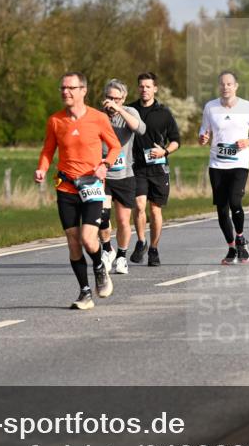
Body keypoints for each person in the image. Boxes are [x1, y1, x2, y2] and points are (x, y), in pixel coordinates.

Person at [35, 72, 120, 309]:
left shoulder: (98, 118)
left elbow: (114, 146)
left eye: (71, 88)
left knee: (87, 238)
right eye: (62, 88)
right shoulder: (55, 120)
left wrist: (105, 165)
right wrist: (41, 168)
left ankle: (100, 266)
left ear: (83, 90)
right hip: (66, 186)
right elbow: (47, 150)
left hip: (92, 185)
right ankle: (84, 293)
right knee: (73, 242)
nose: (65, 92)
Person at [198, 71, 249, 264]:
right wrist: (203, 137)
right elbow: (204, 129)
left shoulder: (247, 107)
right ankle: (232, 248)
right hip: (217, 164)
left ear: (236, 86)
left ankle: (240, 237)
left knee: (235, 201)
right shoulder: (211, 107)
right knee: (221, 209)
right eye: (222, 84)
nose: (225, 87)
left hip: (239, 163)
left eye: (229, 84)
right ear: (219, 86)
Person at [126, 72, 180, 267]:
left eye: (148, 86)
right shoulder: (130, 110)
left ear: (155, 88)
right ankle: (141, 241)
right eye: (141, 86)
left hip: (158, 168)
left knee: (155, 210)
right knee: (139, 205)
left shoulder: (164, 113)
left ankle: (154, 249)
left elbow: (176, 141)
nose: (144, 89)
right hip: (137, 166)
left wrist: (164, 152)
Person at [96, 79, 146, 275]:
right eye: (109, 98)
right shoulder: (97, 116)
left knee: (124, 221)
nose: (112, 102)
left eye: (117, 98)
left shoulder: (130, 113)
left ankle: (122, 256)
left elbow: (140, 129)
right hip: (102, 175)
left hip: (124, 175)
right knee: (102, 216)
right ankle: (107, 249)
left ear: (124, 98)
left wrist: (120, 109)